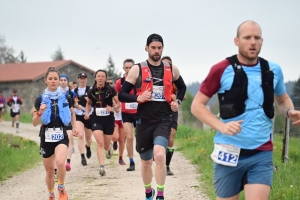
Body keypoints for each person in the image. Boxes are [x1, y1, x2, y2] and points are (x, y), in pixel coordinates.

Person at [191, 20, 300, 200]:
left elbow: (282, 99)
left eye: (257, 38)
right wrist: (221, 126)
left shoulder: (273, 70)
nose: (253, 42)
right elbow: (197, 106)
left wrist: (289, 112)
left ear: (262, 41)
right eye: (247, 37)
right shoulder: (221, 69)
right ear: (236, 41)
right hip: (228, 151)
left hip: (261, 152)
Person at [118, 33, 186, 200]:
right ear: (147, 48)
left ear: (163, 49)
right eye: (153, 48)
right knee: (146, 162)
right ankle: (149, 192)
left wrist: (176, 100)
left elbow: (182, 87)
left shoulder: (171, 69)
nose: (156, 51)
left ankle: (160, 195)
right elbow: (122, 95)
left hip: (164, 120)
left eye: (159, 48)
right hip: (143, 121)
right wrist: (137, 98)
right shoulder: (137, 69)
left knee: (160, 155)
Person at [32, 67, 78, 200]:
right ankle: (51, 194)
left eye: (55, 79)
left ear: (59, 81)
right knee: (50, 171)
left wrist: (74, 127)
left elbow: (72, 113)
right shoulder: (39, 99)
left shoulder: (67, 97)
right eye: (50, 79)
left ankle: (61, 188)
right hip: (46, 136)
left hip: (61, 134)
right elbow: (34, 123)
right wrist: (40, 112)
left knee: (60, 162)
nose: (53, 81)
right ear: (46, 81)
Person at [85, 69, 120, 176]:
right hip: (96, 118)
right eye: (98, 76)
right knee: (99, 142)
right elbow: (89, 103)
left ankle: (109, 148)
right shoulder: (91, 91)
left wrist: (113, 108)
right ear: (95, 78)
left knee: (105, 145)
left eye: (102, 76)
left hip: (108, 118)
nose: (100, 78)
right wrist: (87, 113)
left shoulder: (110, 90)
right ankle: (102, 166)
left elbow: (118, 103)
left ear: (105, 78)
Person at [161, 56, 186, 176]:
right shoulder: (155, 78)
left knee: (170, 138)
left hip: (172, 109)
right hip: (157, 110)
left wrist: (177, 98)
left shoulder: (175, 78)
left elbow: (184, 94)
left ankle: (167, 165)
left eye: (168, 64)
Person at [115, 58, 137, 171]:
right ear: (123, 68)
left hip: (139, 112)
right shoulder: (120, 82)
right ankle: (131, 161)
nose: (128, 70)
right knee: (129, 136)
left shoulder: (139, 81)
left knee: (141, 136)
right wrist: (116, 106)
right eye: (126, 68)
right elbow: (118, 96)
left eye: (130, 68)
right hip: (126, 113)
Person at [73, 72, 93, 166]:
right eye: (81, 78)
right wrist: (75, 105)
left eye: (84, 78)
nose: (82, 80)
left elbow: (96, 102)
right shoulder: (74, 91)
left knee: (88, 138)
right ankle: (82, 156)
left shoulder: (90, 90)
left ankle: (88, 147)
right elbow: (70, 102)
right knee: (80, 135)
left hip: (88, 115)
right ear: (78, 79)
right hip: (78, 115)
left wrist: (88, 100)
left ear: (86, 80)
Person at [59, 74, 77, 171]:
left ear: (67, 81)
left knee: (69, 139)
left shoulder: (70, 94)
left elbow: (72, 110)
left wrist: (74, 126)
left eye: (64, 80)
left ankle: (68, 162)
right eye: (61, 80)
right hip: (57, 122)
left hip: (68, 121)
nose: (62, 82)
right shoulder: (54, 93)